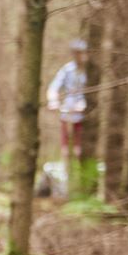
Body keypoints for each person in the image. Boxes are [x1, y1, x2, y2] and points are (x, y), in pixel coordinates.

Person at [47, 39, 89, 168]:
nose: (79, 56)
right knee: (65, 146)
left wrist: (84, 104)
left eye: (81, 53)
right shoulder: (67, 70)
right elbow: (53, 87)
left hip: (83, 113)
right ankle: (65, 169)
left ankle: (80, 170)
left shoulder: (90, 70)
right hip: (67, 111)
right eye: (76, 53)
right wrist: (53, 101)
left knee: (79, 147)